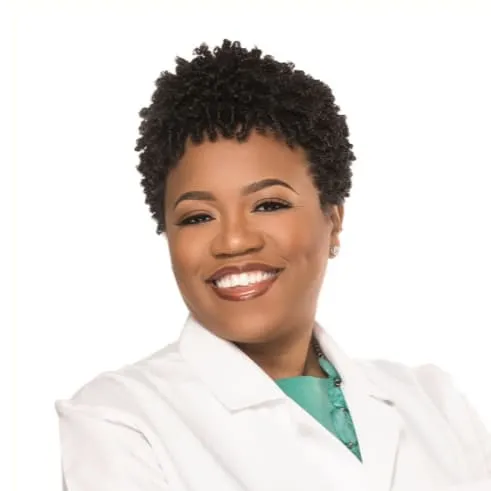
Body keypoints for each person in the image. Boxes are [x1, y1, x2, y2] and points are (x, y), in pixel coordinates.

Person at [55, 39, 491, 491]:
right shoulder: (119, 421)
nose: (234, 241)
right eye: (197, 217)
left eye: (268, 204)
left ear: (333, 220)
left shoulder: (436, 406)